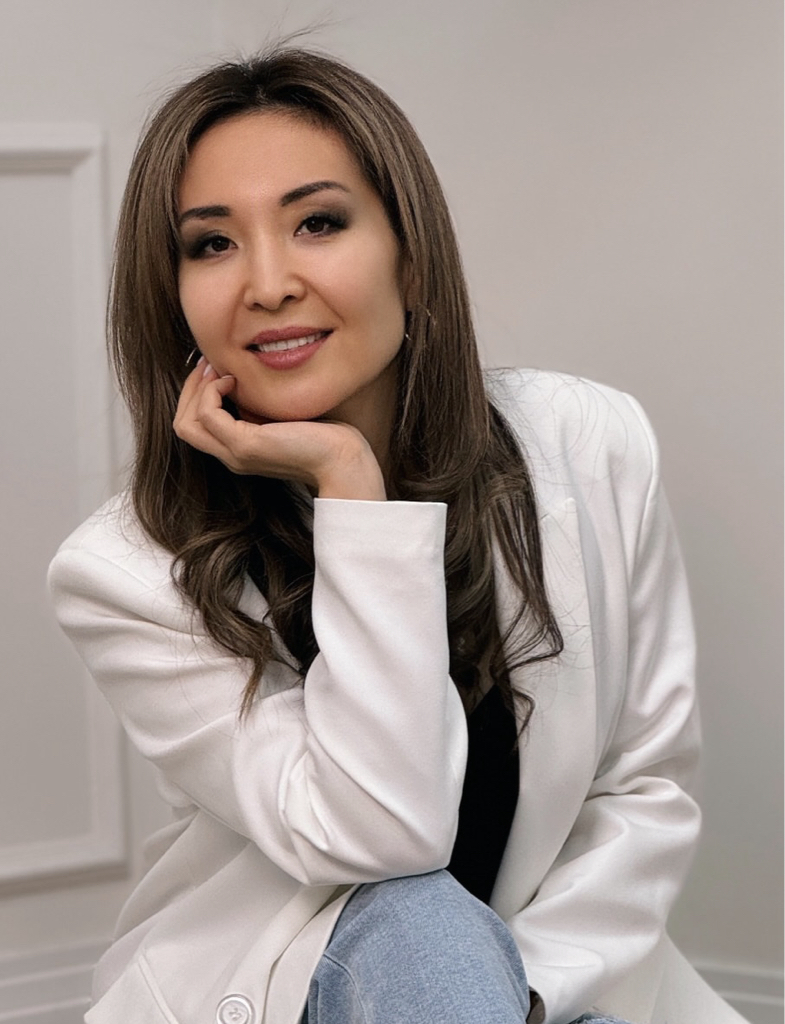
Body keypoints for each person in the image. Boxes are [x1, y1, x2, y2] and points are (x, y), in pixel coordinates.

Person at [48, 47, 707, 1024]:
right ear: (172, 293)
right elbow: (382, 838)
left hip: (543, 988)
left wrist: (517, 994)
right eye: (211, 244)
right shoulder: (124, 572)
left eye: (317, 222)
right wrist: (352, 488)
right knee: (417, 916)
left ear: (410, 250)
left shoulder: (587, 443)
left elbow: (641, 788)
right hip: (300, 989)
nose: (267, 283)